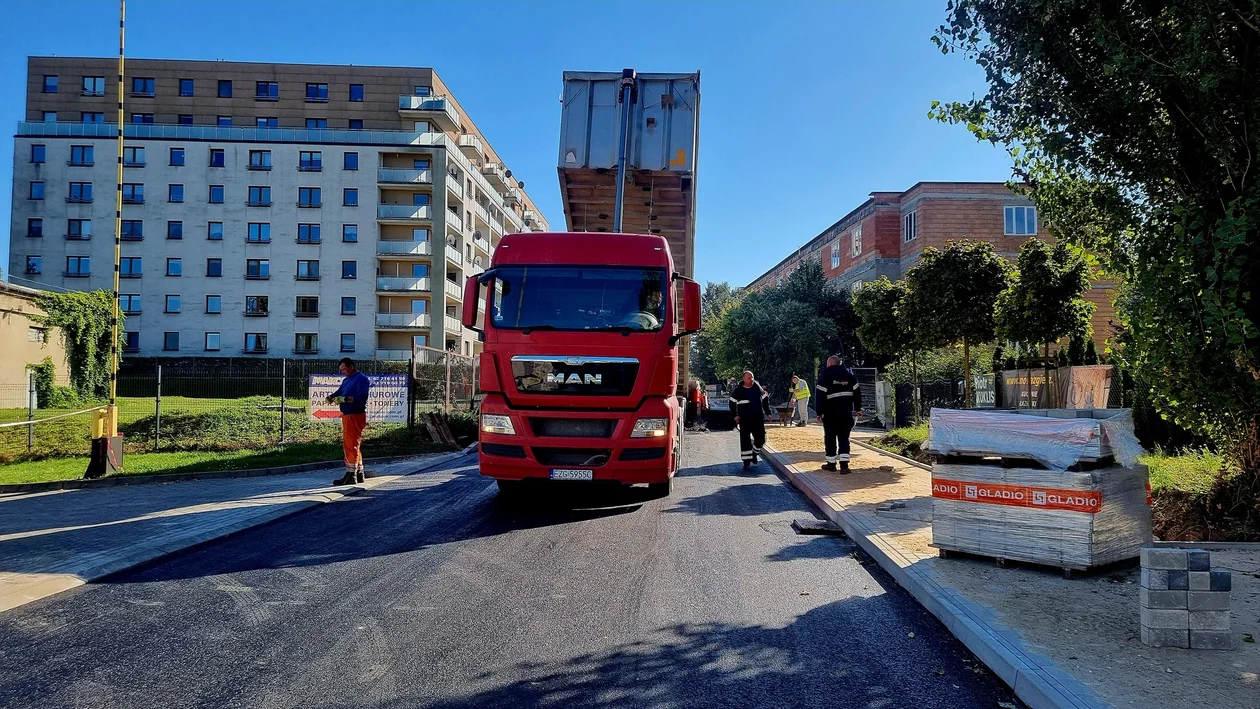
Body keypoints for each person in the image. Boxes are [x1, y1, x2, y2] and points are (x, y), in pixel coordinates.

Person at [327, 357, 372, 486]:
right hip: (349, 415)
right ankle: (359, 472)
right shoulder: (347, 380)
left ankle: (350, 474)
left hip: (355, 415)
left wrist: (345, 399)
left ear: (352, 366)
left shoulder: (361, 379)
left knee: (350, 444)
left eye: (344, 369)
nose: (343, 372)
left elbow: (362, 397)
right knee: (354, 443)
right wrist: (332, 397)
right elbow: (340, 391)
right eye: (341, 370)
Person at [816, 355, 862, 473]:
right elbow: (857, 393)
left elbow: (820, 396)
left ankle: (831, 464)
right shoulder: (849, 376)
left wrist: (819, 412)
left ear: (830, 364)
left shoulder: (825, 377)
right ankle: (844, 466)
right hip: (846, 413)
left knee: (830, 437)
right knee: (844, 438)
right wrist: (858, 408)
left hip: (830, 414)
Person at [728, 370, 772, 470]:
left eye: (752, 377)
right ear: (744, 379)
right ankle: (746, 462)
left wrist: (768, 413)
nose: (751, 379)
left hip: (757, 418)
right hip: (744, 419)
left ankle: (754, 454)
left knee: (761, 439)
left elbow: (765, 400)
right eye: (748, 378)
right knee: (745, 440)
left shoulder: (757, 388)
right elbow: (731, 404)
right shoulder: (738, 391)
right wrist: (735, 415)